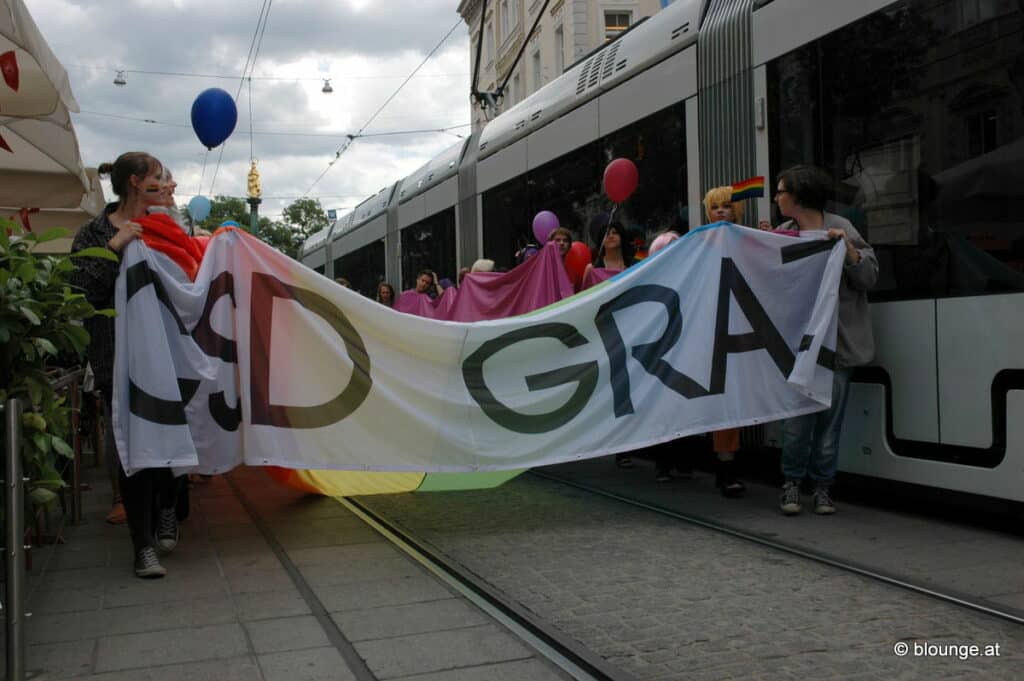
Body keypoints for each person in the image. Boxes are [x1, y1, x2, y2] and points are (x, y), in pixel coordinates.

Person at [69, 152, 183, 578]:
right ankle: (143, 547)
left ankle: (168, 506)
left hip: (168, 358)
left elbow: (186, 282)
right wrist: (114, 248)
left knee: (169, 445)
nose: (164, 184)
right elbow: (81, 293)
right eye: (157, 177)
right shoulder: (94, 232)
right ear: (137, 182)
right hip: (117, 361)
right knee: (132, 454)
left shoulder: (166, 226)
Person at [774, 166, 877, 515]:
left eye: (780, 191)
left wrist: (847, 251)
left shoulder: (842, 228)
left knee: (829, 423)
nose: (776, 198)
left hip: (837, 347)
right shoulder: (783, 234)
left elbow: (869, 276)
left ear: (798, 196)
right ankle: (792, 483)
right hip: (798, 347)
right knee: (796, 422)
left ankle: (822, 487)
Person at [697, 187, 750, 496]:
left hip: (746, 329)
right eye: (715, 207)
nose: (720, 211)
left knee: (738, 400)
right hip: (713, 331)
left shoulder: (748, 240)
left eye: (726, 206)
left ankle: (727, 466)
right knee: (725, 402)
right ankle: (725, 468)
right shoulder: (700, 243)